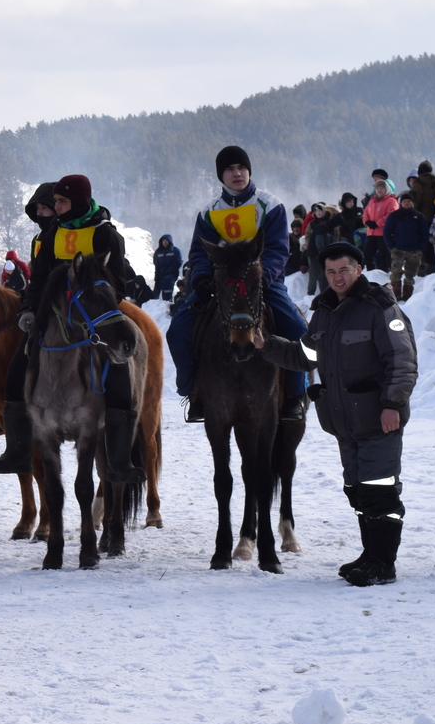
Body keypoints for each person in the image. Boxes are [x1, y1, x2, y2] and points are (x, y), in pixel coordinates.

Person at [256, 242, 417, 585]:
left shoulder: (380, 308)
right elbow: (305, 357)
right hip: (345, 422)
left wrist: (393, 404)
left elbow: (402, 362)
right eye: (330, 272)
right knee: (357, 490)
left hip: (378, 417)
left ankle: (382, 564)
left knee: (380, 490)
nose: (337, 277)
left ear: (358, 269)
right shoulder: (325, 311)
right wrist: (266, 345)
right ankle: (368, 554)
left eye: (344, 270)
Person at [0, 173, 141, 483]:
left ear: (79, 202)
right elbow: (39, 278)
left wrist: (92, 307)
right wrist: (29, 308)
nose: (55, 207)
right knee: (17, 371)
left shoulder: (105, 235)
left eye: (60, 201)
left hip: (97, 315)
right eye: (55, 201)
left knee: (120, 375)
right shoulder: (52, 233)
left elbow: (119, 282)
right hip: (54, 317)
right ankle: (16, 452)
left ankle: (120, 460)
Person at [167, 146, 310, 429]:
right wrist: (203, 279)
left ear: (249, 171)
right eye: (230, 169)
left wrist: (260, 278)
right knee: (178, 329)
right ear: (221, 175)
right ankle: (193, 392)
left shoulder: (270, 204)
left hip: (262, 283)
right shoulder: (209, 212)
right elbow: (199, 253)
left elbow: (278, 250)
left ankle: (295, 394)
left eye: (241, 168)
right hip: (220, 286)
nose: (237, 173)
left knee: (297, 328)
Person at [0, 182, 58, 444]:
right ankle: (3, 425)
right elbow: (39, 280)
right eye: (38, 208)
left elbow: (31, 281)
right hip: (36, 306)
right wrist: (29, 306)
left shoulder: (64, 236)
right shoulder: (38, 240)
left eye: (46, 207)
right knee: (10, 364)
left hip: (66, 306)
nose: (41, 213)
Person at [384, 192, 427, 302]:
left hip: (414, 250)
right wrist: (391, 246)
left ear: (412, 203)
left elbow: (424, 233)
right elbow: (387, 232)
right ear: (400, 203)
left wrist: (421, 248)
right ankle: (396, 295)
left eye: (409, 201)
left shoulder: (419, 216)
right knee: (395, 272)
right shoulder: (394, 216)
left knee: (410, 274)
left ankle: (408, 297)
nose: (406, 203)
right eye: (404, 201)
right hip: (398, 249)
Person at [362, 178, 397, 273]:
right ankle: (371, 273)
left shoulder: (391, 201)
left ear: (386, 190)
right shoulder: (371, 201)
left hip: (383, 233)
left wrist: (377, 223)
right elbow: (365, 213)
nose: (380, 190)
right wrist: (367, 222)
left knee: (384, 256)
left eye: (382, 188)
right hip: (371, 233)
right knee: (367, 254)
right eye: (378, 188)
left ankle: (384, 274)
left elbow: (391, 215)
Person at [152, 234, 182, 301]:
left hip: (171, 274)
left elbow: (178, 262)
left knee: (167, 284)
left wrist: (169, 271)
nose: (165, 242)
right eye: (163, 240)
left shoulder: (175, 251)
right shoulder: (158, 252)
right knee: (156, 288)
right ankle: (153, 303)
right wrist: (156, 276)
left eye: (166, 240)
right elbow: (156, 264)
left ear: (170, 241)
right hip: (160, 273)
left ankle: (167, 301)